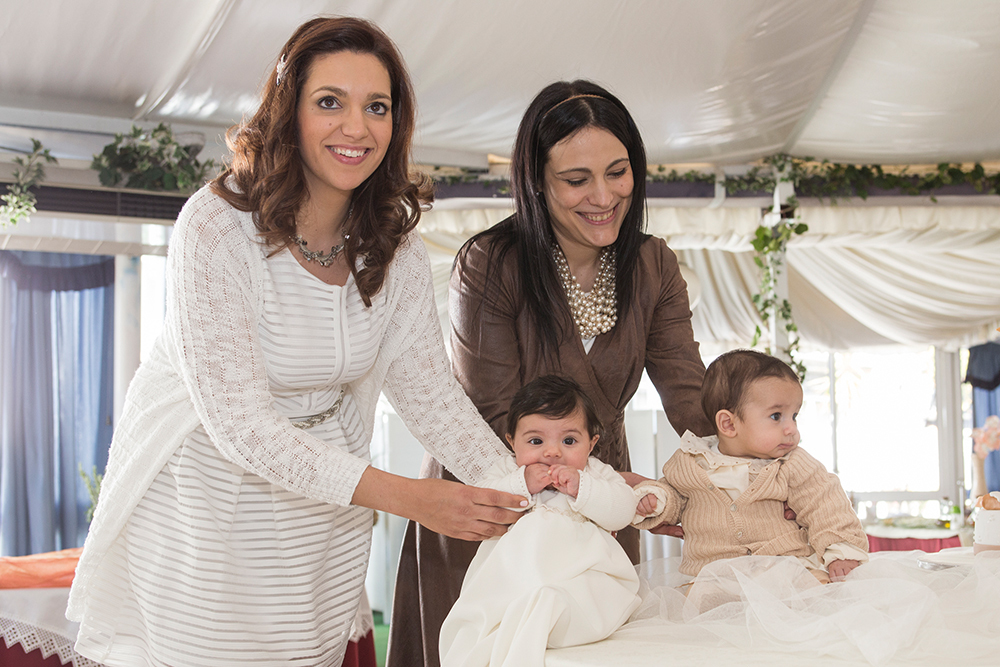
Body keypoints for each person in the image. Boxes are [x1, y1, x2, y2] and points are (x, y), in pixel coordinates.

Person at [65, 17, 525, 666]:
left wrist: (522, 489)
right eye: (329, 102)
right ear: (287, 112)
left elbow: (430, 393)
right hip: (203, 506)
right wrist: (412, 499)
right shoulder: (216, 226)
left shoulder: (396, 246)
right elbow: (241, 425)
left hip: (319, 514)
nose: (355, 127)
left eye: (377, 106)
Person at [388, 79, 714, 667]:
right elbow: (492, 414)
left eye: (618, 172)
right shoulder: (492, 261)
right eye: (576, 179)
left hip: (601, 505)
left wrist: (743, 471)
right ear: (537, 181)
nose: (603, 195)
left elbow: (690, 396)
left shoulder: (652, 264)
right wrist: (599, 485)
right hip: (495, 499)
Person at [439, 375, 644, 667]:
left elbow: (623, 511)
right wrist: (521, 483)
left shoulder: (597, 474)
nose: (552, 452)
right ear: (512, 442)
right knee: (483, 619)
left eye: (569, 440)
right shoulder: (505, 470)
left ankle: (550, 613)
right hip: (513, 580)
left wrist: (582, 488)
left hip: (582, 578)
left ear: (591, 443)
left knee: (562, 601)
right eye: (536, 441)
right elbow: (483, 500)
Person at [633, 349, 869, 583]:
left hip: (786, 571)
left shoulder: (792, 463)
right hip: (713, 578)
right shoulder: (690, 462)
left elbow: (825, 503)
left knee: (816, 592)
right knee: (700, 609)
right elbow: (674, 496)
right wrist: (657, 500)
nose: (791, 428)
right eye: (777, 416)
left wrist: (841, 551)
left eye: (794, 415)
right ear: (728, 424)